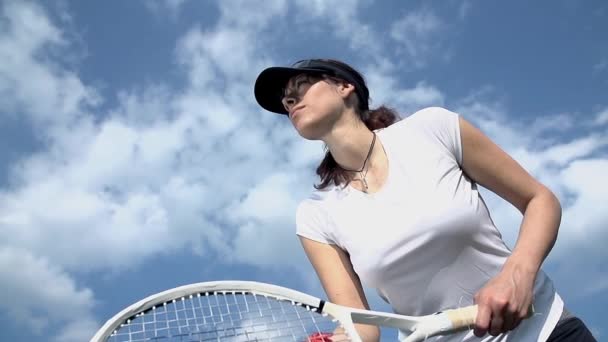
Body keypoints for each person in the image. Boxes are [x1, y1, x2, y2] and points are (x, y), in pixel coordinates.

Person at [254, 59, 595, 341]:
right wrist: (337, 340)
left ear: (345, 87)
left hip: (546, 331)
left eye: (300, 86)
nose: (290, 101)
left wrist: (516, 275)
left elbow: (540, 199)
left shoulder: (433, 129)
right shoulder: (315, 216)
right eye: (285, 101)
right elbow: (361, 328)